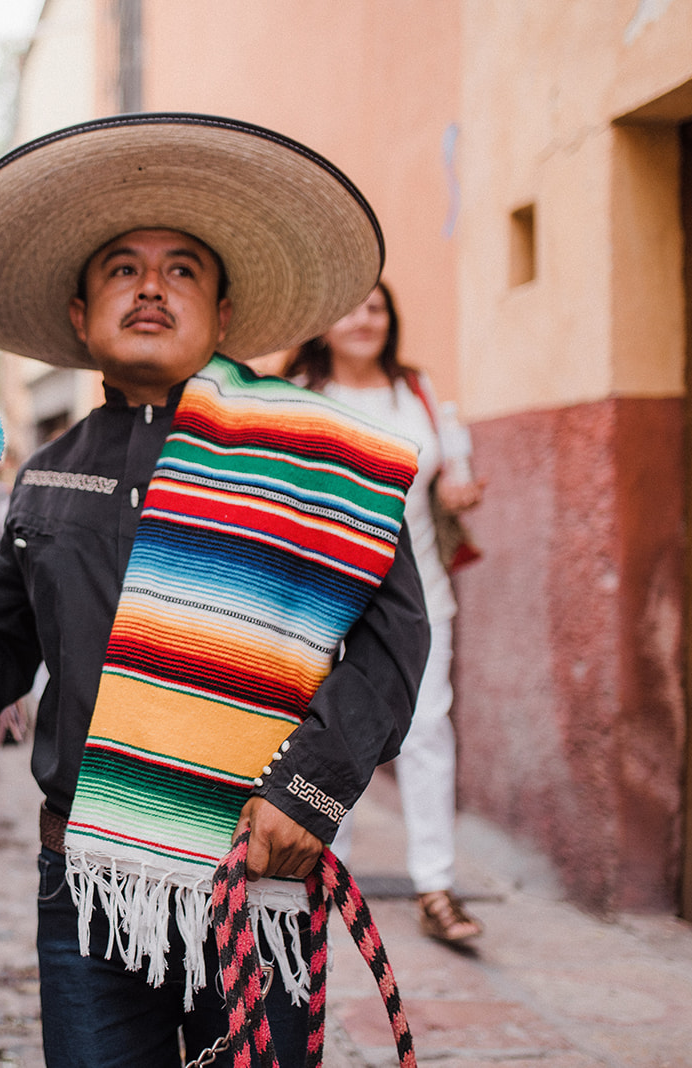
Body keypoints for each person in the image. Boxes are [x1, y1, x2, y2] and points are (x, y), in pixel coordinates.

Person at [0, 115, 431, 1065]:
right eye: (121, 268)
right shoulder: (45, 476)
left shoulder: (325, 461)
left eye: (182, 270)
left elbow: (395, 639)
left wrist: (311, 793)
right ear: (81, 317)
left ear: (224, 316)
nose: (151, 287)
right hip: (83, 879)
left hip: (258, 868)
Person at [287, 282, 486, 945]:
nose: (364, 319)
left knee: (429, 729)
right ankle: (315, 866)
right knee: (328, 729)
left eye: (377, 307)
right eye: (350, 306)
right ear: (323, 322)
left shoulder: (419, 392)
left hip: (422, 596)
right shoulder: (301, 398)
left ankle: (435, 885)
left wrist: (460, 492)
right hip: (326, 600)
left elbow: (453, 477)